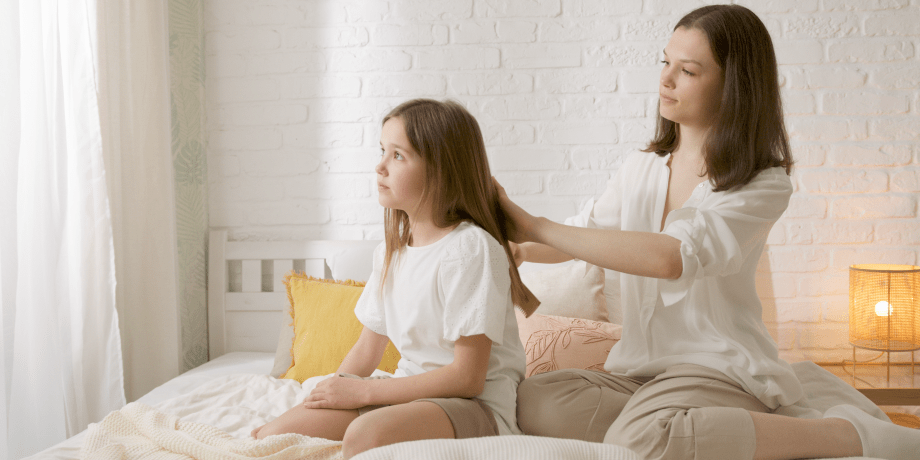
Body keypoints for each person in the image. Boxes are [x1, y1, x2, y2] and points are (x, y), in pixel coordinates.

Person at [493, 5, 920, 460]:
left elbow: (670, 257)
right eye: (665, 63)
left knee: (635, 441)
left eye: (688, 70)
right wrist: (519, 247)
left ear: (733, 86)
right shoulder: (642, 168)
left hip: (718, 369)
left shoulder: (762, 183)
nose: (666, 80)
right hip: (641, 372)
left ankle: (844, 434)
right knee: (531, 401)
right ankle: (686, 424)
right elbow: (587, 232)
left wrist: (534, 225)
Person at [251, 99, 539, 459]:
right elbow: (366, 350)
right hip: (408, 394)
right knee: (270, 437)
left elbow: (467, 378)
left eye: (397, 155)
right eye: (382, 151)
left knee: (365, 436)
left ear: (441, 170)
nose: (380, 166)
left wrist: (363, 393)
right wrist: (334, 392)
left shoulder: (470, 248)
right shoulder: (391, 253)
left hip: (474, 407)